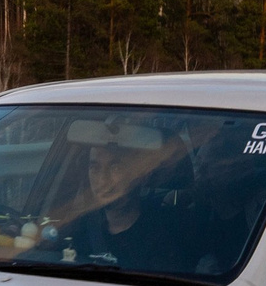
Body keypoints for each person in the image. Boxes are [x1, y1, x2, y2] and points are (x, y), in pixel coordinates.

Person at [51, 118, 208, 275]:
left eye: (116, 168)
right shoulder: (76, 230)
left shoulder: (172, 235)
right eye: (95, 168)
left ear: (143, 175)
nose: (102, 180)